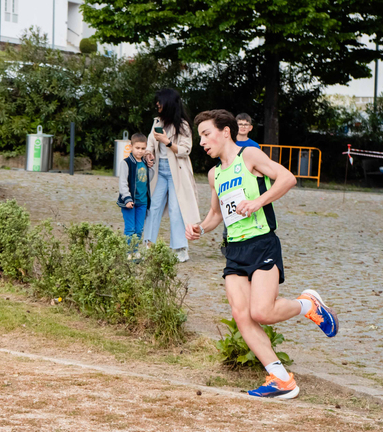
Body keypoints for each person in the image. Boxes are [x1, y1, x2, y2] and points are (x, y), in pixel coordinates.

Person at [186, 109, 338, 399]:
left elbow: (287, 179)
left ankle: (308, 305)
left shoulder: (249, 157)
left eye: (206, 134)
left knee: (262, 312)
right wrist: (200, 229)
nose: (202, 142)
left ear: (225, 132)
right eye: (200, 137)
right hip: (235, 250)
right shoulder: (214, 174)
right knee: (241, 315)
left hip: (262, 243)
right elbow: (216, 214)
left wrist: (257, 202)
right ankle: (281, 379)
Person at [142, 89, 201, 263]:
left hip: (177, 173)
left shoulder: (182, 125)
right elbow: (149, 144)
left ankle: (179, 248)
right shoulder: (156, 122)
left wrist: (167, 142)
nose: (157, 105)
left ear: (168, 103)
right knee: (153, 208)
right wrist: (148, 154)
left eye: (160, 102)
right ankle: (148, 245)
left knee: (177, 210)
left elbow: (185, 150)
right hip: (159, 172)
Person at [117, 133, 151, 255]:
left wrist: (150, 164)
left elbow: (149, 179)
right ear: (131, 147)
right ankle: (128, 252)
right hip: (129, 202)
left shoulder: (145, 163)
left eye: (143, 148)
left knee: (139, 229)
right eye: (137, 148)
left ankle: (135, 250)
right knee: (130, 229)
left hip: (142, 202)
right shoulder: (126, 163)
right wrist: (127, 198)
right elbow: (123, 183)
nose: (140, 151)